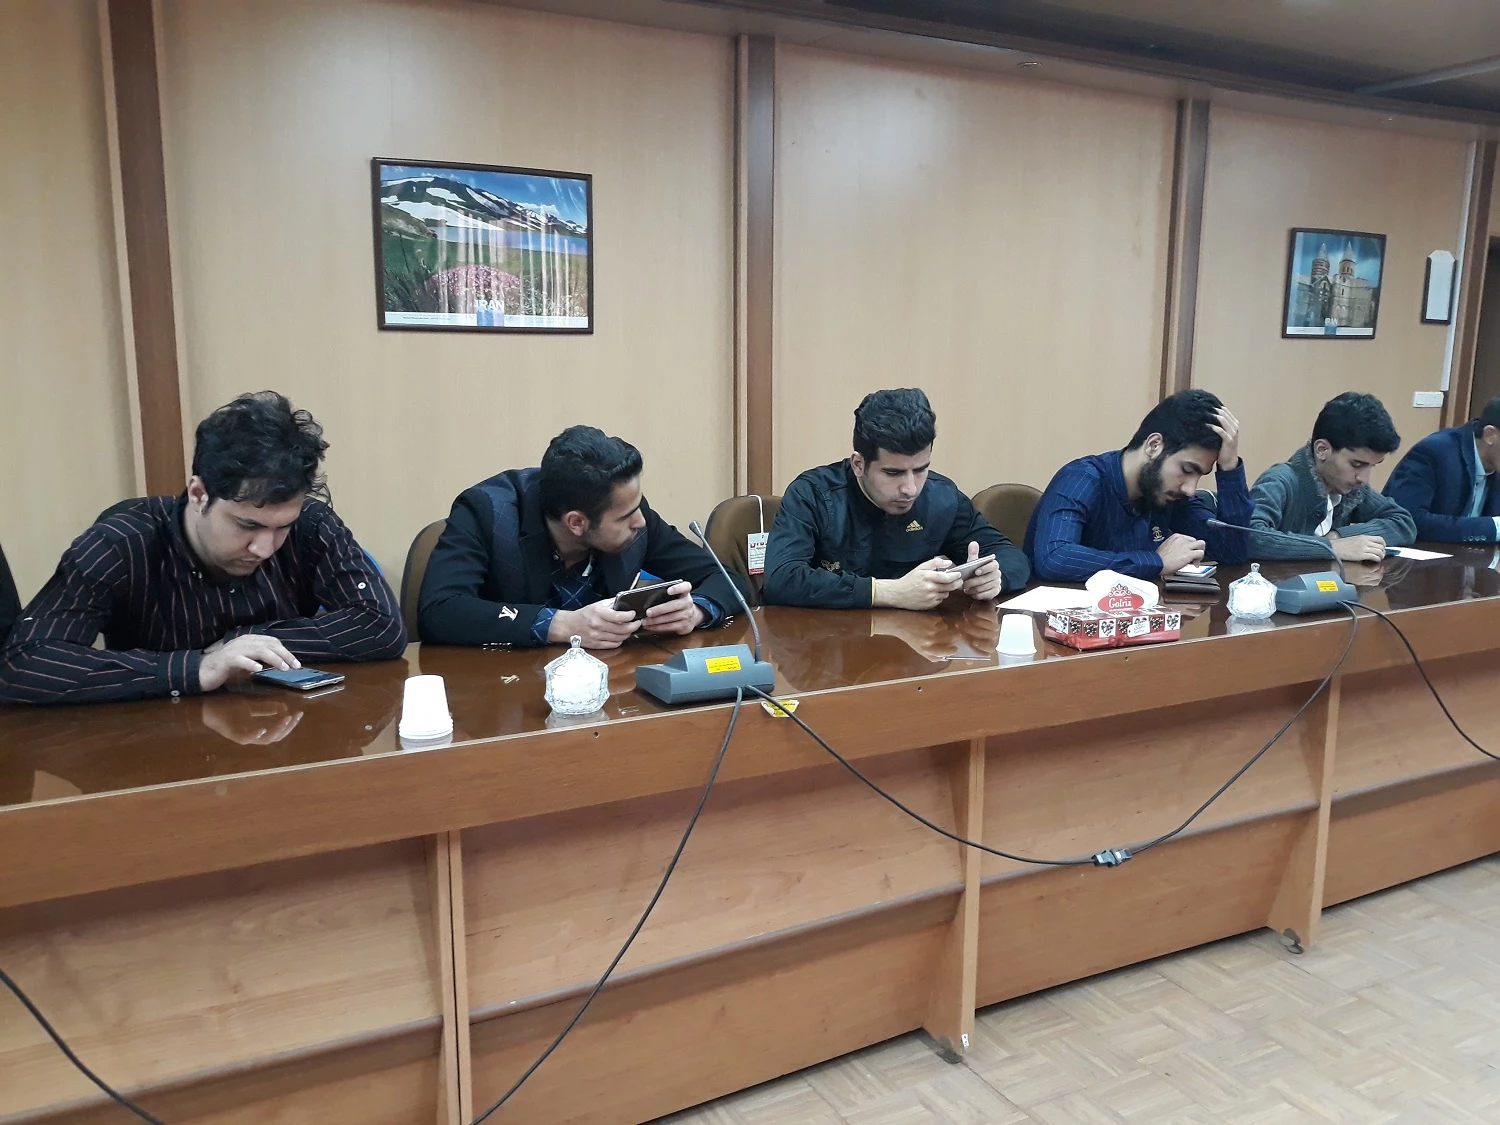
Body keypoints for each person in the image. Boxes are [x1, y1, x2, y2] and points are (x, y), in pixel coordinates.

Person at [0, 391, 405, 705]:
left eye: (282, 527)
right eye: (247, 525)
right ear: (198, 494)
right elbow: (23, 664)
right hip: (155, 748)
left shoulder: (311, 524)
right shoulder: (121, 544)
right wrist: (195, 668)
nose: (264, 547)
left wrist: (246, 641)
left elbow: (381, 625)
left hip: (280, 733)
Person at [418, 425, 750, 649]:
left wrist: (697, 611)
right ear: (576, 523)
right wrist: (561, 625)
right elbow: (439, 610)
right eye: (625, 516)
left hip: (610, 689)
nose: (640, 522)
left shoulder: (631, 513)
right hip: (507, 694)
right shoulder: (486, 512)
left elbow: (729, 580)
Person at [761, 388, 1030, 610]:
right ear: (858, 464)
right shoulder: (813, 494)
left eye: (921, 469)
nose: (910, 488)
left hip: (913, 645)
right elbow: (781, 579)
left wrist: (995, 578)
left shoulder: (942, 497)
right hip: (825, 645)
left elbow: (1012, 557)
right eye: (893, 473)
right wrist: (888, 592)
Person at [1024, 389, 1250, 582]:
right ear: (1154, 445)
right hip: (1061, 617)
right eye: (1187, 470)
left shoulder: (1169, 496)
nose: (1190, 489)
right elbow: (1055, 558)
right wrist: (1156, 562)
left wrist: (1229, 467)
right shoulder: (1081, 479)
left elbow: (1231, 552)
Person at [1249, 391, 1415, 562]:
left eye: (1372, 466)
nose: (1364, 478)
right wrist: (1331, 547)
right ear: (1322, 450)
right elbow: (1251, 537)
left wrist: (1339, 536)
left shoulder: (1352, 489)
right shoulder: (1279, 481)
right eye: (1356, 464)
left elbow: (1403, 522)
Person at [1382, 394, 1500, 544]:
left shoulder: (1495, 463)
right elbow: (1408, 521)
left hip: (1470, 557)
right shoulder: (1435, 451)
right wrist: (1493, 527)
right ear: (1490, 435)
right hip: (1415, 557)